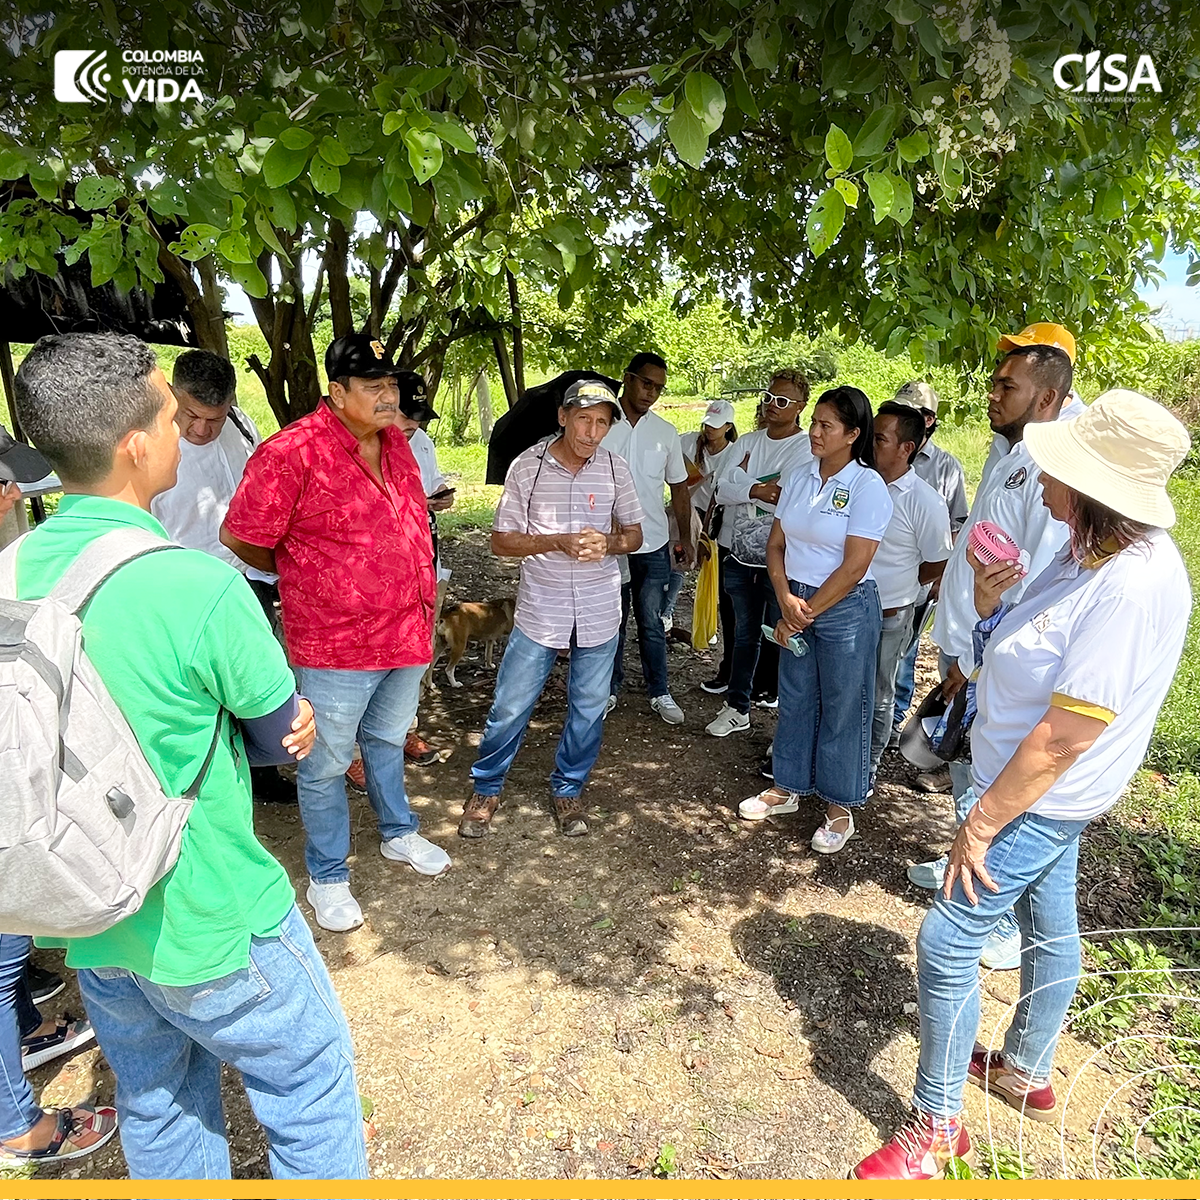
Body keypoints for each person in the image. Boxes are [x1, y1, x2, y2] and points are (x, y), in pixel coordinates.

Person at [11, 333, 365, 1180]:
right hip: (209, 912)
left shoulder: (13, 568)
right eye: (173, 413)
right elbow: (278, 733)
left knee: (158, 1104)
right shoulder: (197, 587)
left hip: (91, 920)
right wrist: (296, 725)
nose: (182, 428)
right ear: (137, 444)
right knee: (310, 1085)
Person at [853, 390, 1192, 1179]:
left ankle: (935, 1128)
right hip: (1031, 784)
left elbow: (1070, 733)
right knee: (1049, 918)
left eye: (1058, 470)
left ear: (1097, 489)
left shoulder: (1131, 584)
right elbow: (1012, 648)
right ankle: (1026, 1069)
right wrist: (997, 599)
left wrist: (980, 822)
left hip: (1036, 793)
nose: (1039, 480)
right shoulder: (1085, 551)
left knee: (947, 942)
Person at [223, 333, 449, 934]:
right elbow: (242, 536)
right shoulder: (290, 452)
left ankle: (398, 832)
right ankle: (327, 874)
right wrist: (310, 572)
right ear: (337, 390)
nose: (386, 396)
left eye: (391, 384)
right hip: (336, 644)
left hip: (406, 630)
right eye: (371, 386)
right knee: (324, 763)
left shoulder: (396, 442)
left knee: (386, 740)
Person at [917, 328, 1084, 972]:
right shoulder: (1007, 447)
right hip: (967, 635)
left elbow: (1038, 579)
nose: (992, 394)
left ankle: (997, 922)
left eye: (1006, 386)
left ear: (1045, 397)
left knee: (999, 770)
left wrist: (984, 652)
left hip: (998, 648)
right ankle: (962, 853)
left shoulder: (1052, 469)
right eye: (994, 381)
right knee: (967, 756)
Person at [460, 380, 643, 838]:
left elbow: (635, 537)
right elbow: (501, 541)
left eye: (602, 422)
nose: (592, 431)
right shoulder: (528, 467)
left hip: (600, 609)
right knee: (510, 704)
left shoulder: (616, 469)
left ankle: (568, 789)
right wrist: (555, 541)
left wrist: (610, 542)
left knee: (588, 707)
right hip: (542, 609)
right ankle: (486, 787)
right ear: (563, 417)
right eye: (584, 419)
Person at [738, 386, 893, 853]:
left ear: (853, 434)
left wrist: (805, 613)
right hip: (795, 600)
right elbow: (776, 544)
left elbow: (855, 565)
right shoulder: (802, 475)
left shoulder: (867, 486)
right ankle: (787, 786)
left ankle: (840, 806)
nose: (815, 432)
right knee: (797, 696)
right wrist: (785, 597)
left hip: (843, 608)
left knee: (846, 705)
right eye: (815, 423)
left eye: (827, 425)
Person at [150, 349, 294, 804]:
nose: (201, 430)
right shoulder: (150, 441)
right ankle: (200, 785)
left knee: (250, 677)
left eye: (214, 418)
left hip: (244, 577)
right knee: (195, 690)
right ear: (173, 395)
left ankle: (261, 776)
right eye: (192, 415)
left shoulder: (242, 427)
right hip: (180, 584)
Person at [705, 372, 811, 737]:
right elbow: (720, 489)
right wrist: (756, 489)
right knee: (743, 634)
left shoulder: (804, 448)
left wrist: (744, 483)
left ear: (800, 408)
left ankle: (787, 723)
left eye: (783, 400)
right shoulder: (748, 440)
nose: (772, 404)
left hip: (781, 559)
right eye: (769, 396)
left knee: (785, 635)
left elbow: (786, 493)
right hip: (738, 554)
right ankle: (737, 707)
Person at [602, 353, 693, 724]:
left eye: (658, 387)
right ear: (627, 378)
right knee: (613, 619)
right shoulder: (602, 424)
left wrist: (685, 538)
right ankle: (608, 689)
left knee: (652, 620)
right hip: (609, 543)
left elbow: (680, 488)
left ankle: (660, 691)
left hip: (653, 542)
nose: (651, 392)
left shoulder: (665, 432)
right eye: (645, 383)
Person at [868, 403, 952, 788]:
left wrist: (901, 585)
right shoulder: (857, 484)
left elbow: (936, 563)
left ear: (906, 448)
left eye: (880, 438)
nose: (870, 443)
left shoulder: (925, 501)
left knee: (880, 692)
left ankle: (865, 768)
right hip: (842, 608)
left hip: (890, 614)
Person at [889, 383, 969, 734]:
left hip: (921, 578)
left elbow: (958, 525)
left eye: (913, 413)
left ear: (929, 420)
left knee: (905, 650)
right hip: (879, 574)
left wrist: (936, 577)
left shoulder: (946, 467)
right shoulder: (878, 455)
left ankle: (893, 719)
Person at [663, 399, 737, 634]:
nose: (709, 430)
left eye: (715, 426)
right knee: (677, 559)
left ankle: (706, 622)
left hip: (713, 516)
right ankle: (666, 612)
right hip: (685, 511)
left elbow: (720, 495)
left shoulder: (733, 453)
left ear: (728, 427)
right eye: (707, 424)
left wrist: (705, 531)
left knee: (699, 567)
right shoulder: (688, 441)